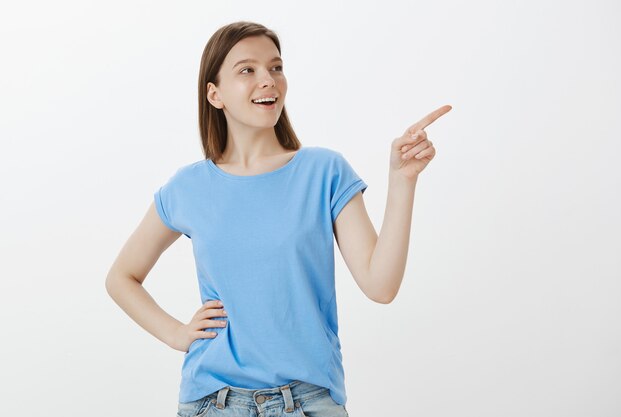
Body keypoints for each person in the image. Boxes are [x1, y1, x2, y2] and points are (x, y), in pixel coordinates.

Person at [105, 20, 451, 417]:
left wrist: (402, 181)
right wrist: (176, 334)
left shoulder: (324, 172)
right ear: (214, 95)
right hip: (212, 402)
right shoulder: (188, 187)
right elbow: (121, 278)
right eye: (247, 70)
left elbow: (381, 285)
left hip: (308, 402)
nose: (268, 80)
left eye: (276, 67)